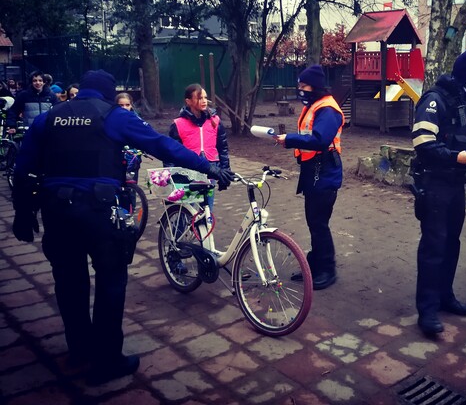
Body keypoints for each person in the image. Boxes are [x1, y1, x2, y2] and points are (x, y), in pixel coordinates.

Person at [10, 70, 235, 385]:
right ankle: (107, 361)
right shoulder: (112, 116)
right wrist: (207, 167)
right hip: (99, 212)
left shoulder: (49, 118)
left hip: (57, 211)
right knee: (110, 282)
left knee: (69, 281)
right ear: (107, 93)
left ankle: (79, 349)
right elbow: (162, 145)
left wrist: (22, 210)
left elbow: (22, 166)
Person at [411, 50, 466, 335]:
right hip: (435, 185)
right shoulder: (434, 100)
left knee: (451, 243)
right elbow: (423, 143)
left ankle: (446, 296)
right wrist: (456, 157)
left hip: (456, 184)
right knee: (433, 246)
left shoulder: (463, 102)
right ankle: (427, 310)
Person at [274, 65, 343, 290]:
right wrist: (290, 141)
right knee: (314, 222)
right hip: (313, 171)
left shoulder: (328, 109)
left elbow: (320, 140)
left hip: (324, 172)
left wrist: (290, 139)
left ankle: (327, 270)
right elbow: (309, 137)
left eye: (303, 86)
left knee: (319, 223)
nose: (300, 90)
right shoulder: (315, 106)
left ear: (314, 85)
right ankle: (314, 266)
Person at [168, 84, 230, 212]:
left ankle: (204, 231)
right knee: (184, 210)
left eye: (205, 97)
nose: (204, 101)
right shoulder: (178, 124)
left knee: (207, 209)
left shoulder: (215, 121)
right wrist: (170, 176)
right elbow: (171, 153)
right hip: (187, 170)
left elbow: (223, 148)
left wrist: (225, 171)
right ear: (188, 101)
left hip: (211, 169)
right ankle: (180, 231)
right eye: (199, 97)